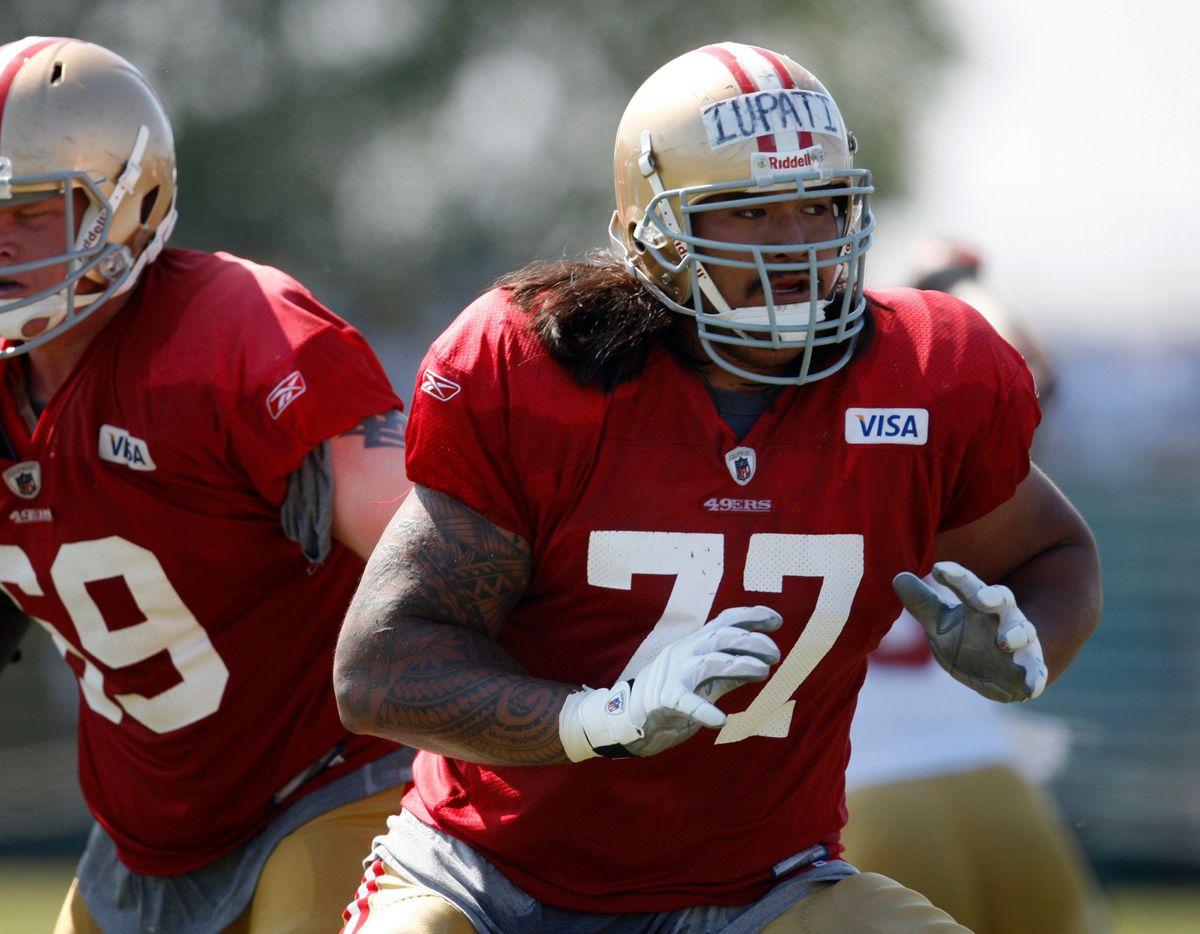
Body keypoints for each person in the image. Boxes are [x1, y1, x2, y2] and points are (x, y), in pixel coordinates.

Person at [332, 41, 1103, 933]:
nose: (799, 246)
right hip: (485, 878)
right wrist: (600, 718)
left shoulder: (926, 375)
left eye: (821, 205)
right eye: (749, 212)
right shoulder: (537, 368)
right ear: (647, 229)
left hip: (762, 887)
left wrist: (1026, 644)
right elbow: (381, 665)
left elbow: (1054, 553)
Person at [0, 37, 413, 933]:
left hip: (332, 781)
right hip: (139, 833)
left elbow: (430, 548)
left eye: (32, 209)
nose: (3, 239)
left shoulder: (235, 331)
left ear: (129, 199)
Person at [838, 240, 1109, 934]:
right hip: (996, 783)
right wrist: (961, 293)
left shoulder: (805, 458)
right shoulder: (942, 457)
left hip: (863, 793)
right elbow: (1031, 379)